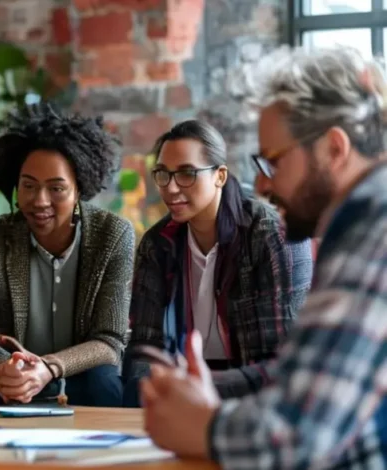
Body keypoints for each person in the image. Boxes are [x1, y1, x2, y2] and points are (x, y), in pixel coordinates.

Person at [140, 46, 387, 468]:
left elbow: (295, 433)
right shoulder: (361, 225)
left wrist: (204, 423)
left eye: (273, 160)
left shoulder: (372, 231)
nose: (259, 181)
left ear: (333, 148)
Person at [0, 103, 134, 407]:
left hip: (76, 375)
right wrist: (2, 371)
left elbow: (109, 341)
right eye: (28, 186)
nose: (40, 201)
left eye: (56, 189)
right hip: (7, 374)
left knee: (104, 382)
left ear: (79, 189)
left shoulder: (113, 235)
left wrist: (49, 367)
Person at [124, 120, 313, 404]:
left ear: (220, 176)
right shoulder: (158, 243)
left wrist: (196, 387)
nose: (171, 188)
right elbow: (142, 346)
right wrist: (150, 388)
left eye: (187, 173)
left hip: (250, 393)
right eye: (163, 174)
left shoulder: (269, 235)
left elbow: (278, 363)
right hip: (181, 387)